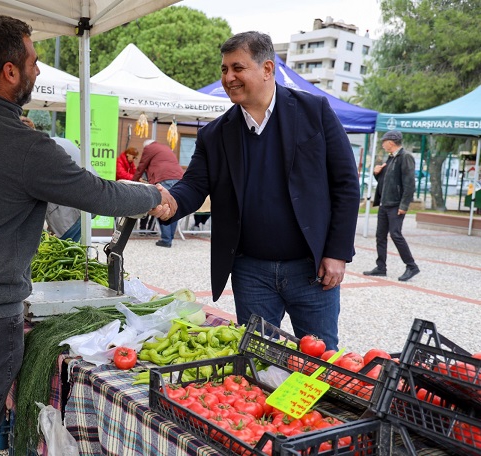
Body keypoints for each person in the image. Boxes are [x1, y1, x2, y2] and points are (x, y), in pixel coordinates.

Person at [0, 15, 171, 456]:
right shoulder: (25, 146)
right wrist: (153, 194)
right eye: (33, 61)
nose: (39, 70)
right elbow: (99, 194)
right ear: (10, 70)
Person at [160, 31, 360, 350]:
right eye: (224, 70)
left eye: (237, 68)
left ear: (267, 69)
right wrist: (167, 201)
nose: (228, 77)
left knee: (320, 362)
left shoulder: (315, 111)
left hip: (311, 269)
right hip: (250, 271)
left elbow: (347, 184)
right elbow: (194, 187)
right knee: (257, 360)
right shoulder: (214, 134)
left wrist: (337, 253)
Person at [363, 130, 420, 281]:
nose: (382, 144)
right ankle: (381, 267)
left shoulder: (405, 157)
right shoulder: (390, 158)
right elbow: (386, 181)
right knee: (380, 236)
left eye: (384, 141)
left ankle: (411, 266)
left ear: (391, 142)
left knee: (395, 234)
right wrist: (377, 173)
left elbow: (409, 184)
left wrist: (404, 205)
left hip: (396, 205)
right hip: (384, 203)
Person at [45, 136, 99, 242]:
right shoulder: (58, 141)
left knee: (61, 250)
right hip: (93, 197)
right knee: (71, 250)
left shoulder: (41, 150)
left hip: (71, 208)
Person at [133, 139, 184, 247]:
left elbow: (141, 166)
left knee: (163, 206)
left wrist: (133, 182)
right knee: (172, 206)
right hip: (178, 177)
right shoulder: (164, 147)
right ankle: (170, 237)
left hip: (163, 177)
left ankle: (166, 240)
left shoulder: (149, 148)